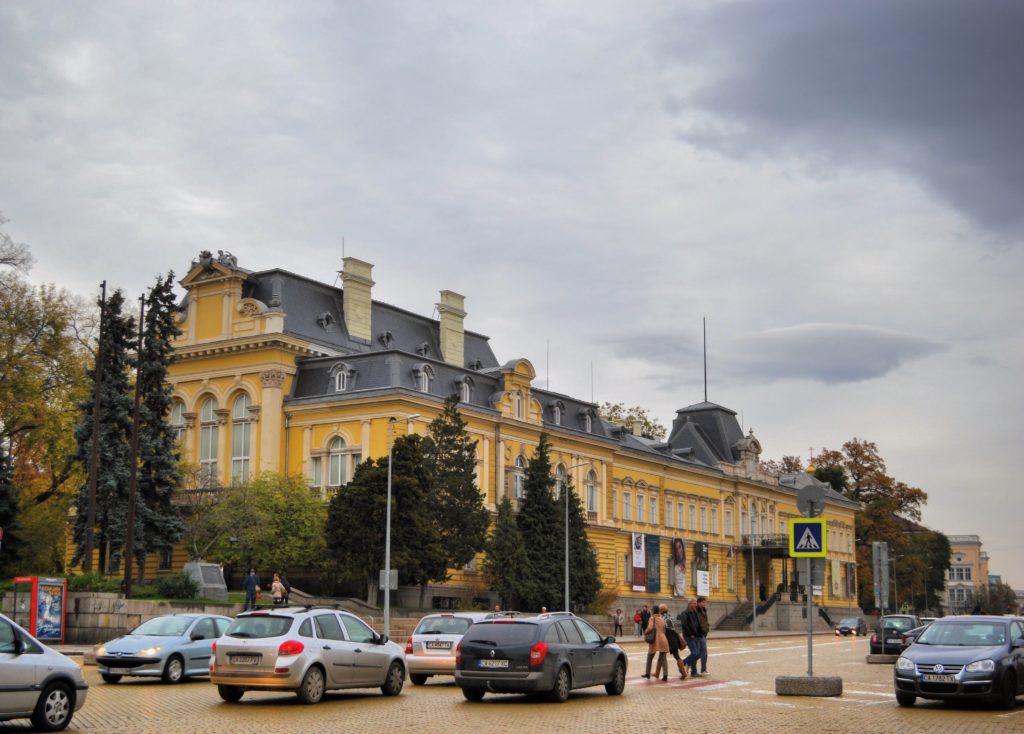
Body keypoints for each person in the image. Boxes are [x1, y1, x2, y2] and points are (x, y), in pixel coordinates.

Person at [642, 605, 669, 681]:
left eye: (651, 610)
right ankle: (665, 675)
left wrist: (645, 632)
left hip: (655, 639)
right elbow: (665, 629)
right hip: (663, 638)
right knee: (663, 658)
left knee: (650, 656)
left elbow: (650, 628)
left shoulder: (652, 618)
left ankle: (647, 673)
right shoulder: (662, 618)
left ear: (653, 611)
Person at [662, 604, 687, 680]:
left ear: (662, 610)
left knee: (662, 656)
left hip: (668, 638)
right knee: (677, 656)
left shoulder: (662, 618)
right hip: (674, 637)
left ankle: (663, 675)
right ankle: (683, 673)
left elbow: (663, 629)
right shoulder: (671, 616)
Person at [680, 598, 703, 677]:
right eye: (694, 603)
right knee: (695, 654)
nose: (696, 605)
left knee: (698, 654)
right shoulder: (685, 613)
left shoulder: (694, 612)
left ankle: (693, 671)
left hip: (696, 636)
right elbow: (684, 625)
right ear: (690, 604)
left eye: (696, 603)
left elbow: (697, 624)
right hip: (689, 636)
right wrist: (690, 634)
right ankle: (683, 662)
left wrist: (700, 634)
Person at [696, 596, 711, 675]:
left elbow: (705, 622)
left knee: (697, 653)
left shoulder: (703, 610)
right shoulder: (696, 611)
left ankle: (687, 663)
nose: (705, 604)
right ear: (699, 603)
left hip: (704, 634)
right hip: (699, 634)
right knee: (704, 652)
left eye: (705, 602)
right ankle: (703, 670)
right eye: (703, 602)